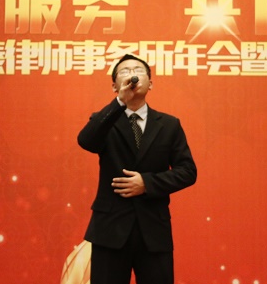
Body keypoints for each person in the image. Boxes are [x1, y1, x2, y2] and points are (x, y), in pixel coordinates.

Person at [77, 54, 197, 284]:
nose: (132, 74)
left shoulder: (169, 124)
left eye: (138, 70)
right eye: (124, 71)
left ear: (150, 83)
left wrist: (147, 184)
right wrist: (119, 103)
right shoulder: (104, 120)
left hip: (153, 229)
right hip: (109, 229)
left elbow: (187, 171)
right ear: (115, 86)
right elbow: (85, 141)